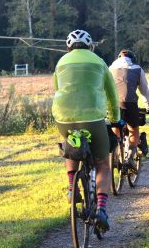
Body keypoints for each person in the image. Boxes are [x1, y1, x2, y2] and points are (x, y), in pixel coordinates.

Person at [52, 29, 121, 231]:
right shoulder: (99, 62)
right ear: (90, 46)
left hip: (63, 117)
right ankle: (101, 209)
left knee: (71, 147)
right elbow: (112, 96)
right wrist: (115, 119)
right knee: (102, 163)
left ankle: (71, 187)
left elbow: (57, 89)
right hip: (93, 118)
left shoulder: (61, 63)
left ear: (68, 47)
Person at [109, 49, 149, 166]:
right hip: (130, 103)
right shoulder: (138, 69)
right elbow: (145, 92)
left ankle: (115, 155)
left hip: (113, 104)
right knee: (134, 130)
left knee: (116, 129)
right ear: (132, 59)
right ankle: (129, 157)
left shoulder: (110, 69)